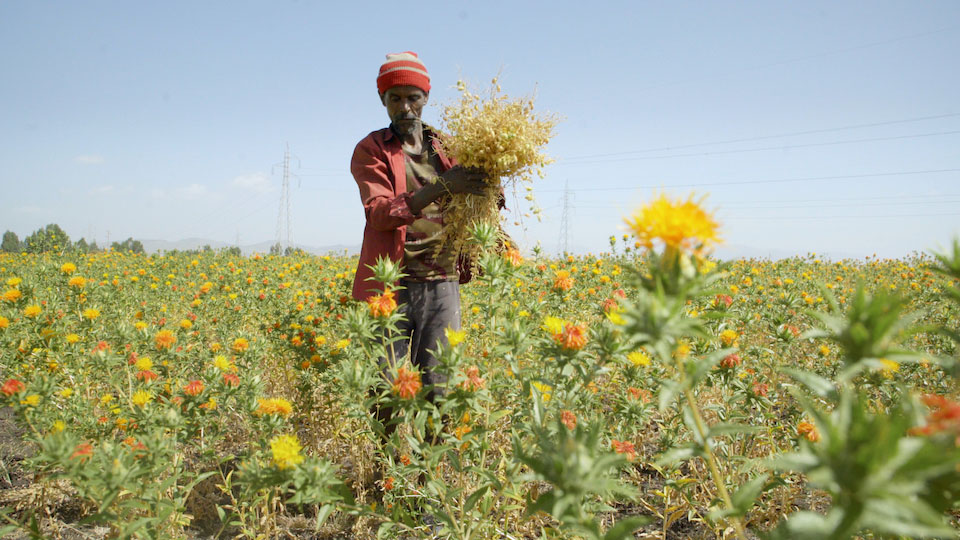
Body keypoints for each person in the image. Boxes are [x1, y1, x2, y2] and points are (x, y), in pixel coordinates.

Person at [350, 51, 486, 425]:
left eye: (413, 97)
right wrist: (442, 187)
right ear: (383, 101)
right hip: (391, 288)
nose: (405, 106)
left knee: (440, 386)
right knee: (388, 389)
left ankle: (429, 473)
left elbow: (479, 196)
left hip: (442, 281)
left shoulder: (448, 147)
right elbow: (379, 214)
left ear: (426, 97)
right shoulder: (371, 150)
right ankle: (389, 476)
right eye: (395, 98)